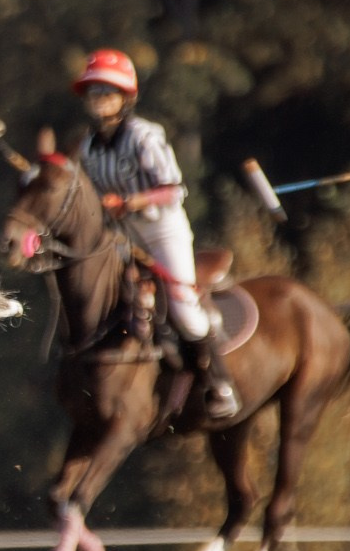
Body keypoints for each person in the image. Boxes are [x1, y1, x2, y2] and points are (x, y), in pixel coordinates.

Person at [72, 49, 238, 421]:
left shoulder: (144, 136)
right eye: (93, 92)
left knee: (183, 309)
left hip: (162, 229)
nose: (98, 99)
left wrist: (129, 202)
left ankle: (220, 384)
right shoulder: (88, 147)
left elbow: (174, 189)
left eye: (107, 91)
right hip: (121, 236)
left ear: (125, 96)